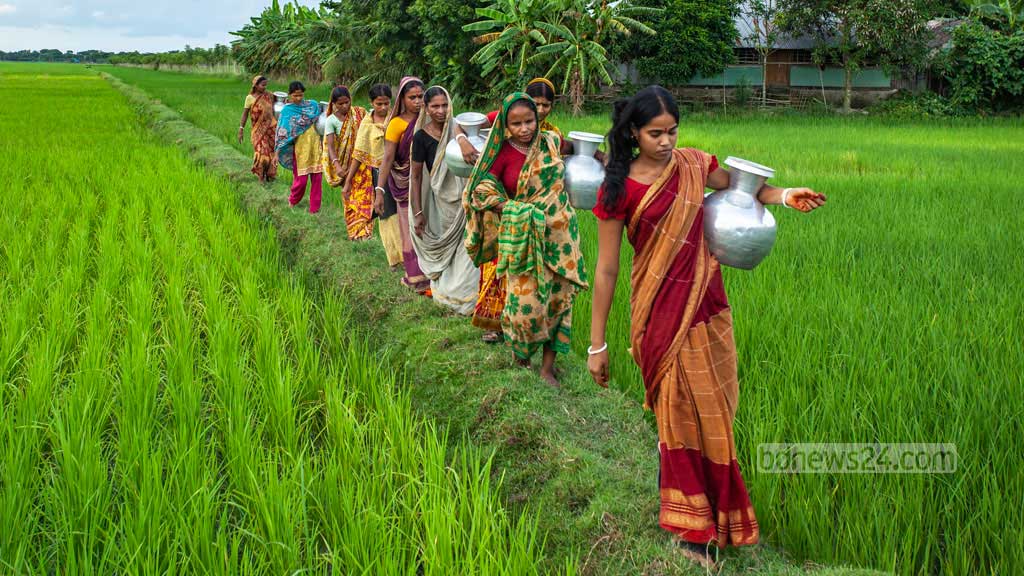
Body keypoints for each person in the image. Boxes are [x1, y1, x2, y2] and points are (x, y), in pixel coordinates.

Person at [586, 85, 827, 569]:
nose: (667, 142)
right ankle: (690, 532)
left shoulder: (695, 165)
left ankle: (710, 516)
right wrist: (597, 344)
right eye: (656, 133)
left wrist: (784, 195)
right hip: (657, 316)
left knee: (712, 415)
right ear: (634, 132)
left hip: (707, 308)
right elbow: (607, 270)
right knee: (677, 416)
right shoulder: (618, 188)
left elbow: (743, 188)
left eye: (673, 131)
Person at [463, 93, 588, 387]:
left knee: (558, 302)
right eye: (516, 123)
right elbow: (480, 190)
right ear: (506, 125)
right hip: (522, 239)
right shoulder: (502, 152)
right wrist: (510, 208)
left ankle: (547, 368)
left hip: (559, 236)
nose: (524, 129)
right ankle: (521, 358)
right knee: (523, 307)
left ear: (538, 119)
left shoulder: (551, 142)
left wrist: (605, 157)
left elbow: (581, 152)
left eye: (529, 121)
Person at [408, 86, 479, 315]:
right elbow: (416, 176)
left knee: (466, 249)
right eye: (435, 106)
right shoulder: (421, 137)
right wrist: (418, 213)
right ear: (426, 109)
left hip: (466, 201)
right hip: (442, 203)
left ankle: (467, 298)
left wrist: (461, 137)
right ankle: (446, 293)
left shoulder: (459, 131)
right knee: (448, 252)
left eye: (445, 105)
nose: (441, 111)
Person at [377, 76, 429, 293]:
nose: (417, 102)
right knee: (409, 228)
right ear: (402, 99)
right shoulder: (396, 124)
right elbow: (388, 159)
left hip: (428, 182)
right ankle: (414, 276)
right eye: (412, 97)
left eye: (420, 97)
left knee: (428, 226)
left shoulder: (430, 118)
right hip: (404, 182)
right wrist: (379, 190)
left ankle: (433, 272)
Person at [347, 84, 403, 267]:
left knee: (403, 213)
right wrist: (348, 182)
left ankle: (409, 257)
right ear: (371, 103)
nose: (383, 108)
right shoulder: (367, 123)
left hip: (400, 171)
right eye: (379, 104)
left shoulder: (395, 119)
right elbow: (359, 152)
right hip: (379, 174)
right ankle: (395, 258)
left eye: (386, 103)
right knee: (387, 215)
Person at [322, 86, 371, 240]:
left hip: (362, 162)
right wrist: (337, 165)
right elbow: (330, 146)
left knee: (364, 197)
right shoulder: (331, 120)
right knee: (350, 197)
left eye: (347, 102)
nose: (345, 106)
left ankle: (365, 233)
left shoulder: (360, 114)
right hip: (345, 165)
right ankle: (354, 232)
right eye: (340, 104)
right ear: (334, 104)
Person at [275, 81, 323, 213]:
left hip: (315, 146)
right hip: (300, 149)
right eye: (295, 95)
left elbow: (323, 118)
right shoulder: (287, 110)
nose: (298, 98)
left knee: (317, 178)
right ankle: (293, 200)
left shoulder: (312, 106)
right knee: (301, 180)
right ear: (289, 95)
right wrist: (277, 151)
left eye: (301, 95)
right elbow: (282, 132)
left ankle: (314, 208)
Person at [238, 75, 277, 182]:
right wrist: (241, 129)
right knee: (261, 153)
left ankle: (269, 176)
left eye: (266, 85)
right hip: (257, 131)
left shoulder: (269, 95)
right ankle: (261, 177)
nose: (265, 87)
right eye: (262, 85)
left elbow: (281, 102)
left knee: (270, 154)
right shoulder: (249, 98)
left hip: (271, 130)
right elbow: (245, 114)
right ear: (255, 85)